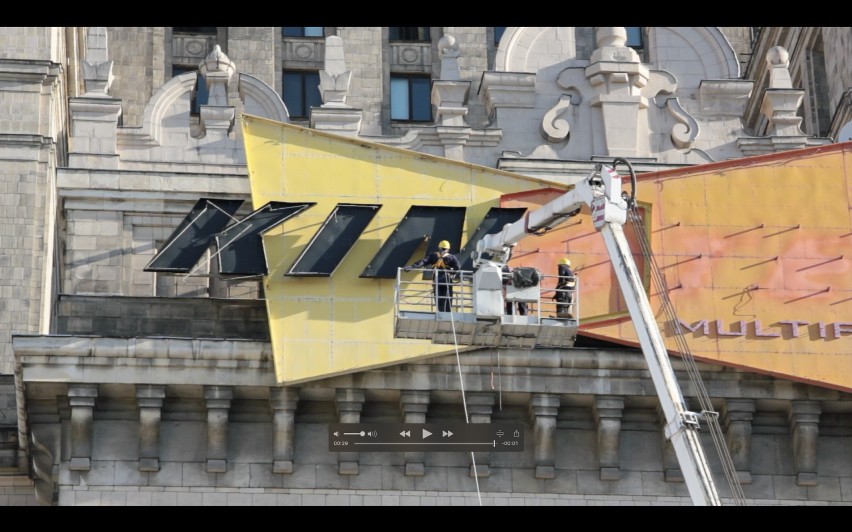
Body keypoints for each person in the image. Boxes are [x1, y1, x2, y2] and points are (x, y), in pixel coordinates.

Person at [404, 240, 461, 313]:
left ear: (439, 248)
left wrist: (412, 267)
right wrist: (452, 271)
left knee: (439, 299)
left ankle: (441, 312)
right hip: (447, 280)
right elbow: (457, 267)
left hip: (437, 280)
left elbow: (423, 262)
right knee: (447, 299)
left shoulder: (433, 255)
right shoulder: (452, 257)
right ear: (448, 249)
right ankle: (446, 314)